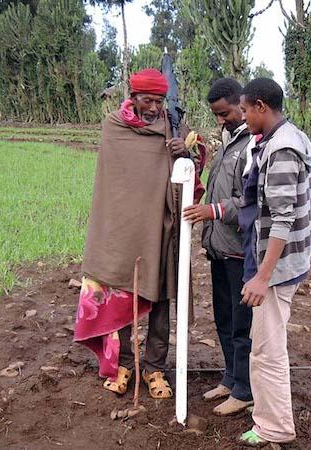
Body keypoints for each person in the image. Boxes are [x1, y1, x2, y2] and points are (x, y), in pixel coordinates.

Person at [74, 68, 202, 400]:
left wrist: (185, 155)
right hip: (120, 228)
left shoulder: (176, 128)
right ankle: (124, 364)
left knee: (159, 296)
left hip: (161, 228)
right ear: (133, 97)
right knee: (120, 292)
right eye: (147, 100)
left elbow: (195, 172)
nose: (154, 108)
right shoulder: (114, 127)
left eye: (159, 101)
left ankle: (154, 367)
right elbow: (112, 180)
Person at [236, 78, 311, 446]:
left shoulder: (282, 149)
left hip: (278, 266)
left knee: (267, 349)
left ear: (260, 107)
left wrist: (262, 277)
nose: (242, 117)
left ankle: (275, 427)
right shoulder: (285, 138)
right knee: (265, 344)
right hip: (284, 260)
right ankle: (271, 419)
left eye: (244, 110)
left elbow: (282, 218)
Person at [183, 78, 255, 416]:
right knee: (224, 319)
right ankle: (230, 378)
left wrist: (211, 211)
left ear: (241, 105)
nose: (219, 120)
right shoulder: (229, 142)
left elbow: (251, 203)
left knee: (242, 326)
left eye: (223, 113)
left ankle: (244, 390)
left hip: (240, 252)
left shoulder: (252, 147)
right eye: (216, 115)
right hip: (220, 249)